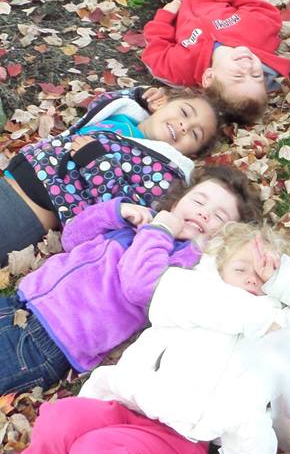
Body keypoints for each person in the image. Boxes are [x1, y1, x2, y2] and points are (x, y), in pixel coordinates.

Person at [1, 222, 290, 454]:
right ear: (219, 265)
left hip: (181, 437)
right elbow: (194, 301)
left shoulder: (279, 325)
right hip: (126, 406)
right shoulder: (186, 289)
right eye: (242, 268)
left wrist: (280, 276)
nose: (252, 281)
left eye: (262, 277)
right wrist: (259, 318)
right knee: (60, 418)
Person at [0, 165, 261, 394]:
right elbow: (71, 239)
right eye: (199, 201)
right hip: (19, 304)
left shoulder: (187, 264)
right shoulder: (139, 221)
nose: (205, 214)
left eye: (219, 217)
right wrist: (115, 212)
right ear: (176, 203)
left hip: (50, 341)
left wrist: (161, 231)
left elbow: (139, 286)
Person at [0, 86, 220, 267]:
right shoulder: (124, 115)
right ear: (164, 103)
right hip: (10, 180)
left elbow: (124, 209)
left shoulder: (164, 173)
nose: (184, 126)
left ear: (191, 154)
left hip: (31, 209)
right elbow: (101, 102)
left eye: (194, 133)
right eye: (184, 112)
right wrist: (139, 97)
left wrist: (98, 164)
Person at [142, 0, 286, 123]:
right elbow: (261, 8)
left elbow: (155, 54)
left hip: (184, 2)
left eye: (238, 75)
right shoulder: (258, 38)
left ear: (209, 78)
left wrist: (166, 16)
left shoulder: (184, 67)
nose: (248, 66)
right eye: (256, 74)